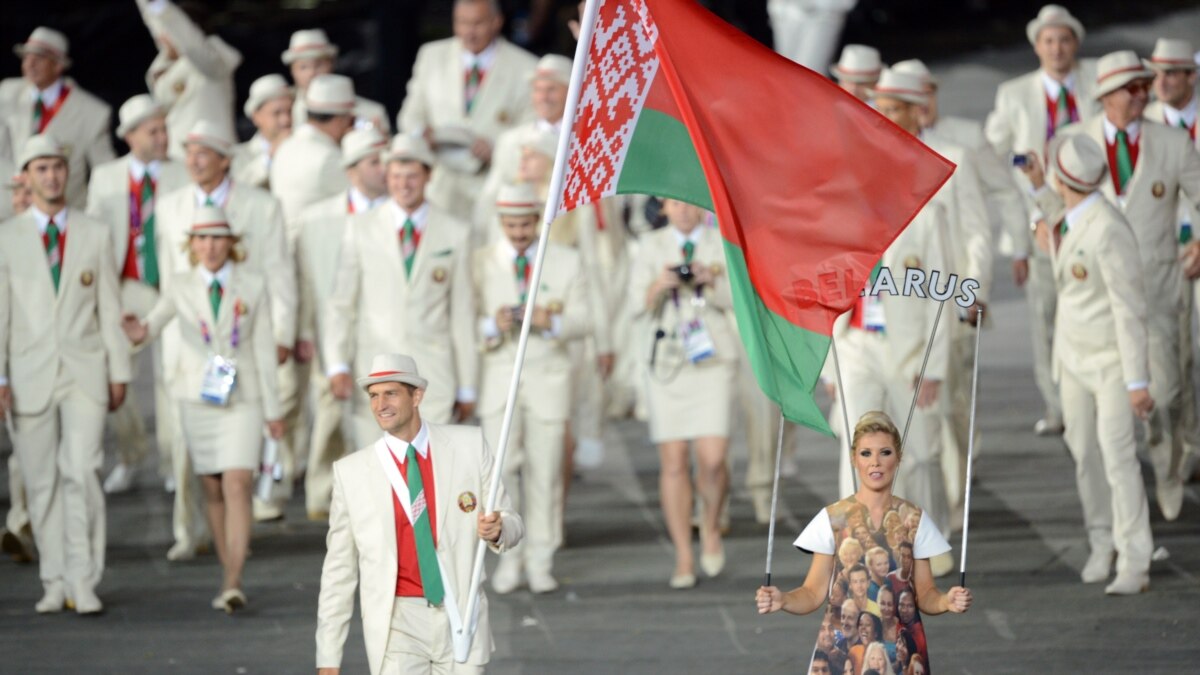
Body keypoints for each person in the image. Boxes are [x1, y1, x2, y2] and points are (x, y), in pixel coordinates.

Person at [1030, 49, 1200, 524]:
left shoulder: (1172, 143)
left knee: (1164, 395)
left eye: (1145, 84)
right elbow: (1049, 201)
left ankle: (1166, 474)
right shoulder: (1071, 141)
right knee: (1104, 423)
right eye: (1132, 87)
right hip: (1096, 306)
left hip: (1159, 291)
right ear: (1105, 96)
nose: (1144, 92)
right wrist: (1034, 225)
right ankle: (1120, 511)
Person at [315, 352, 524, 675]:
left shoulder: (468, 445)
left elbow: (512, 521)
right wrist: (328, 655)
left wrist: (498, 530)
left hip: (461, 616)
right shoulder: (351, 472)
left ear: (417, 396)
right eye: (373, 395)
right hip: (397, 623)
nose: (380, 404)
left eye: (391, 393)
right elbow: (338, 570)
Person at [122, 205, 283, 612]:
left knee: (237, 483)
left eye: (217, 237)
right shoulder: (179, 285)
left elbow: (264, 347)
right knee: (211, 487)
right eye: (202, 238)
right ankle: (228, 567)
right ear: (191, 245)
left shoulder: (254, 283)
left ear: (231, 242)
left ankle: (233, 579)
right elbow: (153, 323)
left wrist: (273, 409)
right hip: (199, 395)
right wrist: (135, 330)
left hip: (243, 393)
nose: (210, 247)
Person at [0, 134, 131, 614]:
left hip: (84, 370)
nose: (51, 176)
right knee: (41, 480)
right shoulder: (7, 237)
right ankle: (53, 578)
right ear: (27, 176)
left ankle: (84, 576)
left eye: (57, 166)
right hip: (28, 370)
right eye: (41, 168)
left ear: (67, 172)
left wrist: (119, 370)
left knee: (83, 472)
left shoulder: (94, 231)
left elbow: (109, 306)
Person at [1022, 132, 1157, 594]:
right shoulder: (1073, 217)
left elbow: (1130, 307)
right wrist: (1040, 191)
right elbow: (1061, 232)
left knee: (1118, 457)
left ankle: (1135, 559)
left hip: (1113, 363)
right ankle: (1102, 542)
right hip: (1074, 359)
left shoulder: (1109, 229)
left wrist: (1138, 379)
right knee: (1084, 455)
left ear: (1065, 179)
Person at [156, 118, 296, 541]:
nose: (194, 160)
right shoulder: (169, 206)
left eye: (204, 152)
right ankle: (187, 532)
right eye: (190, 152)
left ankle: (234, 536)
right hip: (185, 343)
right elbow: (168, 277)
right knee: (181, 442)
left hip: (243, 342)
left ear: (224, 159)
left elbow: (278, 271)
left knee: (238, 452)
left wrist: (283, 333)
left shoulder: (260, 205)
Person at [867, 67, 992, 540]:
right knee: (916, 418)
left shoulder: (954, 158)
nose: (888, 117)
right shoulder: (875, 163)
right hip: (900, 311)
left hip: (950, 302)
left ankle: (951, 501)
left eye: (896, 108)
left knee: (948, 409)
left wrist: (974, 290)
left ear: (917, 110)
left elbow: (976, 230)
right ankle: (930, 513)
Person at [756, 411, 973, 672]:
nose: (876, 463)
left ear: (898, 458)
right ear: (853, 459)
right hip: (841, 652)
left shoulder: (914, 520)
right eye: (866, 453)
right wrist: (783, 600)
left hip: (899, 656)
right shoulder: (833, 519)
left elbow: (924, 594)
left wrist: (946, 601)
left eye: (885, 452)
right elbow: (814, 592)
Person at [985, 4, 1099, 438]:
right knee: (1046, 316)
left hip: (1090, 216)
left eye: (1064, 40)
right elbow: (995, 158)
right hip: (1041, 224)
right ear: (1037, 46)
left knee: (1093, 310)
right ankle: (1058, 406)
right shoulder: (1014, 94)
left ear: (1076, 44)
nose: (1056, 48)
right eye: (1048, 41)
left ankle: (1091, 398)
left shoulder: (1093, 85)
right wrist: (1022, 229)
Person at [473, 184, 591, 595]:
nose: (519, 232)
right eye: (511, 225)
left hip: (548, 381)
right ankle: (508, 556)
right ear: (500, 223)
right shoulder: (481, 263)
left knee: (546, 475)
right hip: (498, 383)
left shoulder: (565, 260)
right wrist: (492, 325)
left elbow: (584, 320)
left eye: (525, 224)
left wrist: (549, 321)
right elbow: (461, 322)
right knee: (501, 476)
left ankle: (542, 559)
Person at [324, 135, 478, 445]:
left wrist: (468, 386)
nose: (404, 184)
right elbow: (341, 303)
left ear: (428, 175)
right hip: (375, 370)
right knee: (378, 476)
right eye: (395, 176)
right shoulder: (360, 227)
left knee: (433, 471)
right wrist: (337, 364)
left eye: (412, 176)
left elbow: (462, 312)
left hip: (434, 375)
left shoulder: (455, 232)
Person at [629, 199, 736, 588]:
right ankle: (683, 555)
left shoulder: (720, 241)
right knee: (673, 461)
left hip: (713, 357)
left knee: (712, 458)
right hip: (667, 361)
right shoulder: (650, 245)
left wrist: (712, 281)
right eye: (674, 204)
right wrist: (660, 284)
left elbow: (741, 302)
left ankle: (710, 525)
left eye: (688, 202)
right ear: (664, 208)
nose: (683, 210)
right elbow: (632, 305)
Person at [86, 94, 190, 496]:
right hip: (126, 287)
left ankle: (170, 461)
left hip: (168, 289)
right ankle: (130, 455)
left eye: (164, 129)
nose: (163, 136)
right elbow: (96, 237)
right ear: (130, 136)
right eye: (154, 130)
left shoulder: (181, 174)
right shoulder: (107, 177)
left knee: (170, 377)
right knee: (117, 372)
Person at [295, 127, 388, 521]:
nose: (382, 168)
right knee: (329, 408)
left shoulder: (393, 212)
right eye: (373, 161)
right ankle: (321, 492)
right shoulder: (317, 218)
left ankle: (372, 494)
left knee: (374, 411)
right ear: (351, 171)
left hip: (377, 328)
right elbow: (304, 277)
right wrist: (303, 330)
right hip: (329, 329)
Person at [398, 0, 537, 222]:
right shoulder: (431, 56)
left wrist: (496, 148)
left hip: (494, 189)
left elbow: (532, 131)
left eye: (477, 23)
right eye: (462, 23)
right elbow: (410, 115)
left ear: (496, 22)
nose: (469, 32)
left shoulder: (526, 67)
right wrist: (421, 134)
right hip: (439, 186)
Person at [1144, 38, 1200, 483]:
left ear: (1191, 77)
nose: (1161, 82)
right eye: (1156, 74)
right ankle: (1180, 449)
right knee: (1171, 357)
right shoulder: (1144, 128)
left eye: (1172, 74)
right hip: (1164, 256)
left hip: (1196, 248)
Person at [0, 27, 115, 208]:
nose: (29, 64)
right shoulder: (8, 93)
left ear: (58, 65)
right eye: (26, 57)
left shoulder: (92, 113)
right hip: (15, 213)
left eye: (39, 58)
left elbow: (107, 174)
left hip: (65, 215)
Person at [136, 0, 241, 161]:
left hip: (213, 156)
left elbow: (191, 43)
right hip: (177, 158)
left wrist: (162, 7)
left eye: (167, 30)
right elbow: (152, 20)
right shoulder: (166, 65)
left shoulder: (211, 62)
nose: (161, 37)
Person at [270, 73, 354, 230]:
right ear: (340, 120)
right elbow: (367, 198)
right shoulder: (328, 157)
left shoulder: (285, 146)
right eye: (350, 120)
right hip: (318, 247)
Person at [280, 29, 391, 136]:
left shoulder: (371, 112)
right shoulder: (283, 114)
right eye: (303, 67)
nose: (311, 73)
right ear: (292, 71)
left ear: (332, 65)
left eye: (318, 65)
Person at [231, 74, 294, 190]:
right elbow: (238, 189)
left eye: (290, 111)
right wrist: (269, 157)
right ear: (256, 117)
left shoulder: (305, 144)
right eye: (277, 113)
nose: (286, 120)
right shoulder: (239, 156)